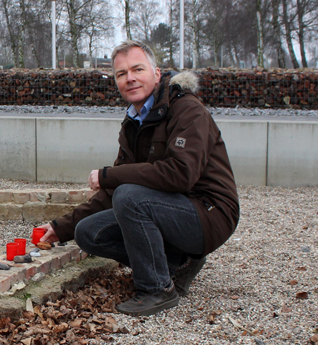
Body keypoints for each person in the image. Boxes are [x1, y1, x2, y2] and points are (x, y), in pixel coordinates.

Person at [35, 40, 239, 316]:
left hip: (209, 213)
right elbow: (113, 191)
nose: (129, 78)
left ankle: (156, 289)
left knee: (130, 197)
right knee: (88, 232)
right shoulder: (134, 122)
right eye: (121, 74)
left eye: (137, 69)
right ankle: (176, 262)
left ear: (156, 74)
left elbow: (180, 175)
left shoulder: (187, 110)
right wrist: (63, 227)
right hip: (168, 207)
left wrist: (108, 175)